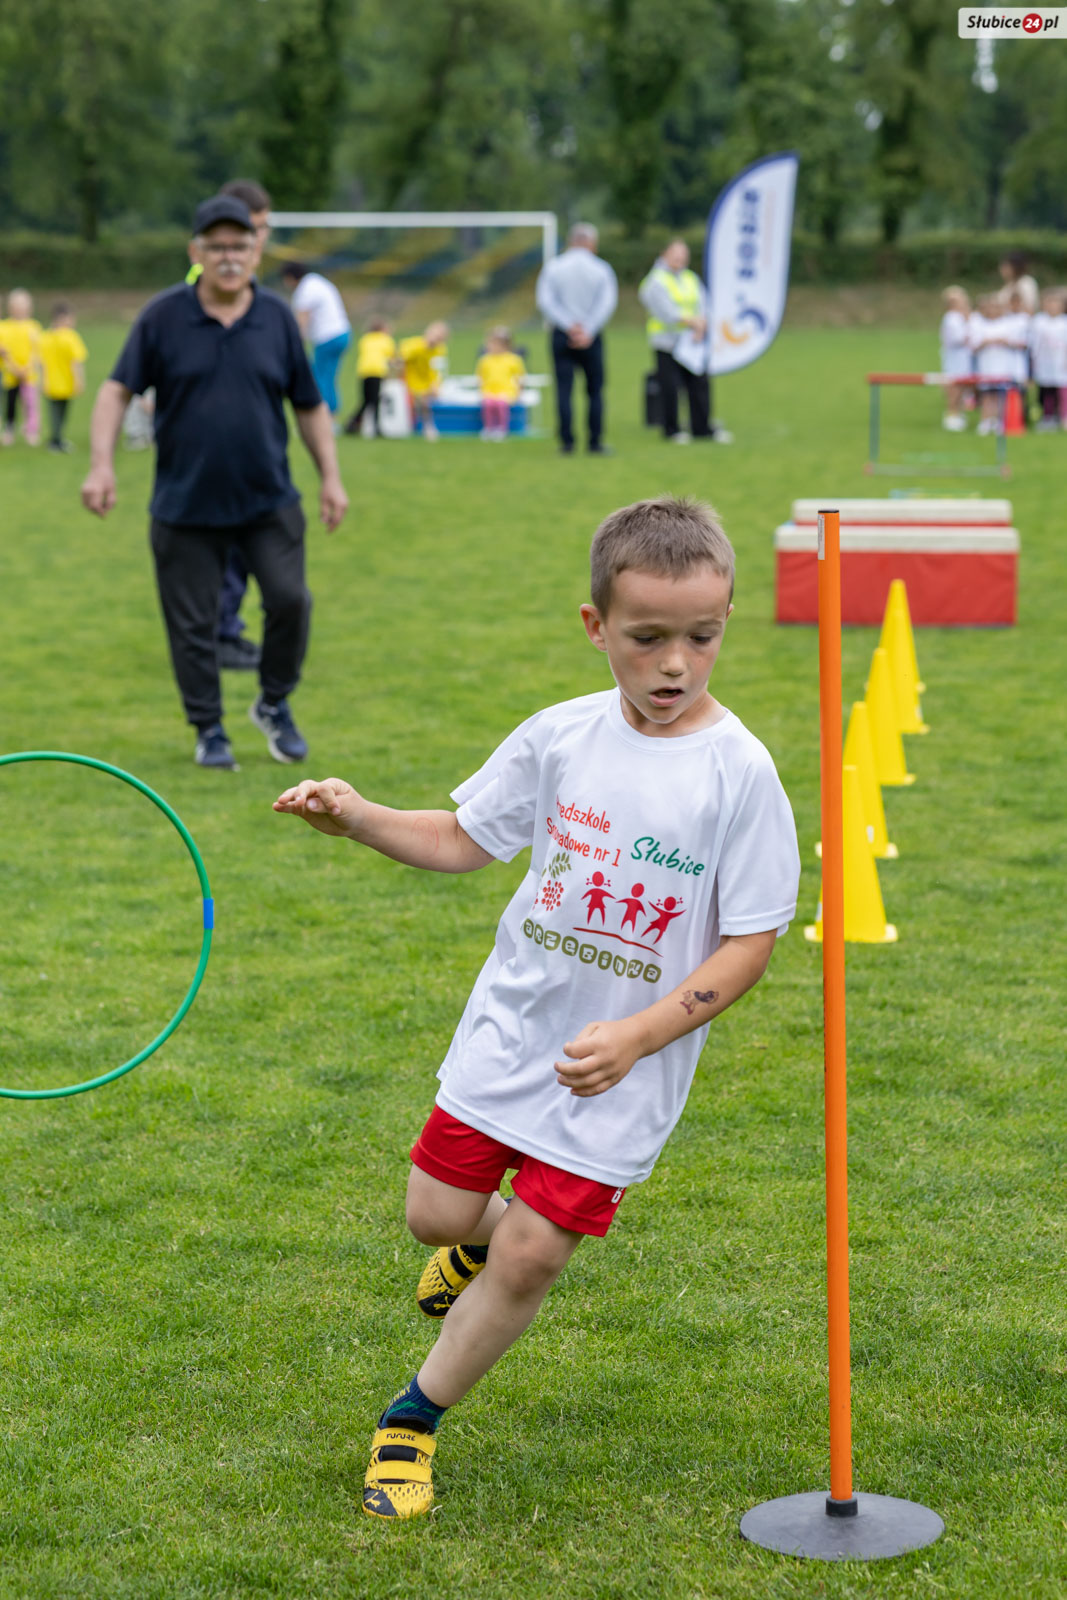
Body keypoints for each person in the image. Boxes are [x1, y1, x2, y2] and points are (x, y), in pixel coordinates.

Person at [273, 494, 800, 1520]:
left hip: (622, 1072)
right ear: (596, 626)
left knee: (529, 1254)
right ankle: (470, 1246)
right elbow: (461, 838)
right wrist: (359, 817)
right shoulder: (560, 738)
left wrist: (640, 1035)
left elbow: (749, 943)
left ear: (725, 621)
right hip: (511, 1034)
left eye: (701, 637)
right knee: (435, 1216)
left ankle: (412, 1418)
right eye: (646, 638)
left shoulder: (739, 773)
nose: (675, 665)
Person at [80, 194, 348, 771]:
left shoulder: (276, 317)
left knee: (290, 600)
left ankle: (273, 702)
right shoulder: (162, 317)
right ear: (195, 251)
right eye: (217, 246)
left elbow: (308, 404)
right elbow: (115, 390)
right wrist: (101, 464)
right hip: (185, 503)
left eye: (239, 246)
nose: (229, 256)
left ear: (256, 252)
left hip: (268, 499)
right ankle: (209, 729)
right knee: (193, 625)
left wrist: (331, 477)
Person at [535, 223, 617, 455]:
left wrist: (569, 326)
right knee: (595, 391)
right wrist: (587, 329)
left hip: (562, 334)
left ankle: (567, 442)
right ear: (592, 243)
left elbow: (545, 301)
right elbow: (607, 302)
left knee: (564, 389)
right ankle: (595, 442)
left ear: (570, 242)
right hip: (591, 336)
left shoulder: (554, 267)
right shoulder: (601, 268)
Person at [638, 239, 728, 444]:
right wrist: (693, 323)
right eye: (676, 254)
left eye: (683, 254)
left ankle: (702, 428)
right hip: (667, 343)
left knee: (699, 385)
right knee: (670, 387)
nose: (680, 258)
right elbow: (666, 312)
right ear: (664, 254)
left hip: (692, 342)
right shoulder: (655, 281)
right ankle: (672, 430)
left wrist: (702, 325)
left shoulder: (690, 278)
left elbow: (704, 304)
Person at [280, 262, 352, 421]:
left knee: (319, 379)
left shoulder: (305, 290)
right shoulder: (317, 281)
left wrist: (296, 349)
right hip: (342, 332)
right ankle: (332, 417)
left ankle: (324, 419)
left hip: (328, 337)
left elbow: (301, 323)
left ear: (290, 278)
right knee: (328, 377)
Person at [0, 288, 42, 446]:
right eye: (16, 306)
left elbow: (36, 351)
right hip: (10, 374)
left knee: (30, 404)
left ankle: (31, 430)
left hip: (29, 374)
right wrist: (13, 368)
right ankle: (9, 429)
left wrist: (27, 368)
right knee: (10, 404)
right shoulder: (3, 327)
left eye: (23, 306)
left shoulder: (34, 326)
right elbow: (3, 351)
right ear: (10, 308)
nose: (19, 309)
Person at [398, 321, 449, 440]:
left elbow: (435, 371)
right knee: (421, 399)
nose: (435, 340)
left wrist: (435, 384)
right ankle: (423, 425)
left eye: (439, 338)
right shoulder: (413, 345)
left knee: (427, 399)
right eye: (434, 335)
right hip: (410, 379)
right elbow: (400, 359)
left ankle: (427, 425)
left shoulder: (440, 350)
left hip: (426, 381)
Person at [344, 318, 395, 438]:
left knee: (367, 400)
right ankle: (376, 427)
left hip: (364, 372)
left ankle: (352, 424)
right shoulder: (386, 340)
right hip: (377, 372)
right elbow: (390, 357)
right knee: (374, 400)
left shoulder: (365, 339)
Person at [474, 326, 525, 440]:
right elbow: (480, 378)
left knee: (501, 404)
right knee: (488, 404)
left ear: (505, 345)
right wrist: (481, 391)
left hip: (507, 392)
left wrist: (519, 393)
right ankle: (489, 428)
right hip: (489, 391)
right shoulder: (485, 360)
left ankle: (502, 428)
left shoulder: (514, 360)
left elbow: (520, 378)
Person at [1029, 287, 1067, 431]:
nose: (1052, 306)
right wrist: (1033, 360)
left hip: (1061, 361)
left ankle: (1064, 417)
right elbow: (1034, 343)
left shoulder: (1064, 322)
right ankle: (1048, 416)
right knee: (1047, 390)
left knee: (1063, 390)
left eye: (1056, 303)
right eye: (1049, 303)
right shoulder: (1039, 321)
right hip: (1045, 362)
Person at [938, 285, 972, 432]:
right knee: (954, 387)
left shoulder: (961, 317)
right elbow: (958, 338)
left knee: (962, 387)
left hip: (962, 359)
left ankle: (958, 414)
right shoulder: (951, 317)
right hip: (955, 359)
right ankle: (952, 415)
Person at [996, 250, 1038, 315]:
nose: (1001, 269)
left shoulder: (1026, 282)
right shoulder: (1009, 284)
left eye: (1005, 266)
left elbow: (1030, 308)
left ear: (1015, 267)